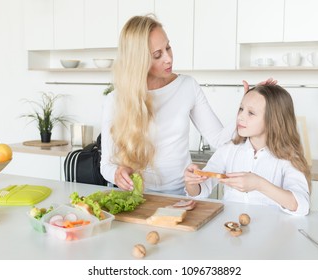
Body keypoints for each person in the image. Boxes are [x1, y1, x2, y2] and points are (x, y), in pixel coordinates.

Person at [100, 14, 275, 195]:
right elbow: (106, 166)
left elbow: (219, 139)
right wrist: (117, 174)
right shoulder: (115, 100)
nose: (168, 58)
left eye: (168, 47)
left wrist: (246, 106)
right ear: (138, 61)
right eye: (157, 55)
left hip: (182, 194)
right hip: (137, 197)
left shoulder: (187, 86)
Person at [184, 84, 311, 216]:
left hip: (271, 233)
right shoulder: (228, 149)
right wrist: (191, 182)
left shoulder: (289, 156)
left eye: (251, 113)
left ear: (273, 120)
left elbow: (301, 205)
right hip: (231, 228)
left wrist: (259, 184)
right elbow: (201, 190)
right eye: (241, 109)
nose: (240, 117)